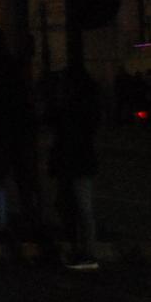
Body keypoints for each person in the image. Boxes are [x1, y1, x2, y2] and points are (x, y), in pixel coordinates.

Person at [0, 28, 47, 254]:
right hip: (17, 129)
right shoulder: (7, 65)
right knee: (25, 180)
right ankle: (31, 220)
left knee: (2, 180)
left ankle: (4, 222)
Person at [48, 54, 102, 270]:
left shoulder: (69, 108)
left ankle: (81, 251)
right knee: (82, 207)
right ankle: (87, 250)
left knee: (74, 206)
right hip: (81, 160)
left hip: (71, 160)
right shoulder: (86, 107)